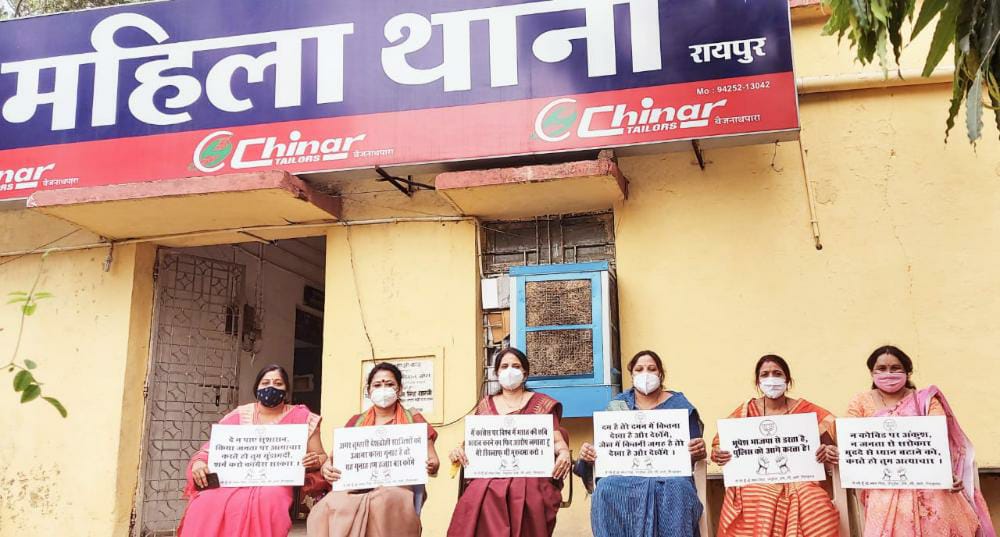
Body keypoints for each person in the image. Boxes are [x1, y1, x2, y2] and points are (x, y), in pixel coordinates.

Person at [847, 345, 996, 537]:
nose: (888, 373)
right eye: (881, 368)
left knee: (937, 501)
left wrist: (946, 473)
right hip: (883, 480)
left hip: (927, 477)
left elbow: (937, 438)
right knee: (888, 502)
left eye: (895, 368)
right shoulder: (860, 401)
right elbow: (851, 438)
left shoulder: (925, 400)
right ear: (871, 372)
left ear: (907, 372)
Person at [178, 364, 327, 537]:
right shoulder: (239, 415)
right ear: (257, 388)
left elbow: (322, 456)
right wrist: (199, 462)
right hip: (234, 481)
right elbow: (213, 448)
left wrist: (314, 461)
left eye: (278, 383)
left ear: (286, 390)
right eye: (265, 383)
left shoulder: (302, 417)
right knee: (205, 501)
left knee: (268, 500)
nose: (271, 387)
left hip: (275, 482)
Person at [575, 350, 707, 537]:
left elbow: (694, 448)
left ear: (660, 374)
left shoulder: (679, 405)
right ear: (632, 374)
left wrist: (698, 450)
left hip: (670, 478)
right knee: (605, 488)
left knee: (679, 489)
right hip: (626, 479)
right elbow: (604, 448)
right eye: (639, 369)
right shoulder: (618, 405)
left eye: (651, 369)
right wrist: (588, 454)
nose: (646, 374)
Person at [446, 347, 572, 537]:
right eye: (504, 366)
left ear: (525, 373)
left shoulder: (542, 404)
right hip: (490, 475)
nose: (510, 371)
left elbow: (557, 441)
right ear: (497, 373)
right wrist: (458, 451)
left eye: (516, 366)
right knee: (478, 494)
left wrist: (563, 453)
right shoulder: (485, 405)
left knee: (527, 494)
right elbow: (472, 444)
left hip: (531, 474)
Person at [711, 355, 840, 537]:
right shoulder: (747, 411)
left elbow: (833, 447)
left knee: (815, 502)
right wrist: (719, 453)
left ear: (788, 380)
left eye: (777, 373)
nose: (771, 379)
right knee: (758, 496)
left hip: (801, 482)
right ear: (758, 382)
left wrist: (828, 452)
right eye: (765, 374)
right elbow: (721, 443)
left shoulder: (807, 411)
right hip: (758, 480)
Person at [307, 362, 440, 537]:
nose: (383, 389)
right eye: (377, 385)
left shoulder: (413, 420)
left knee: (382, 501)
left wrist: (431, 464)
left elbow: (434, 460)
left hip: (398, 487)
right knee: (328, 505)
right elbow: (335, 458)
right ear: (369, 391)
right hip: (357, 487)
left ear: (399, 389)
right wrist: (327, 468)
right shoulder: (356, 422)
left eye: (389, 384)